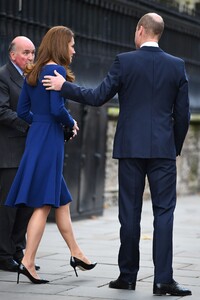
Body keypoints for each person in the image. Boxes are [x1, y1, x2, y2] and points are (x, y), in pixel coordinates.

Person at [42, 13, 192, 296]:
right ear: (158, 34)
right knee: (164, 214)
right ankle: (163, 281)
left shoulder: (125, 61)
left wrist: (65, 87)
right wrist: (174, 146)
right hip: (162, 150)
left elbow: (99, 97)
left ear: (139, 30)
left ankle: (128, 276)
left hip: (130, 148)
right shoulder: (177, 65)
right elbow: (183, 114)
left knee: (129, 213)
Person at [5, 26, 97, 284]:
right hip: (50, 141)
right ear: (60, 45)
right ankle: (28, 261)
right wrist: (70, 122)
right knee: (45, 203)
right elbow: (58, 109)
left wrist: (41, 122)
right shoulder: (55, 70)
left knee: (61, 200)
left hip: (38, 136)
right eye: (71, 44)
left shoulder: (33, 71)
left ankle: (77, 253)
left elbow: (23, 111)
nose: (74, 49)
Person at [0, 36, 38, 272]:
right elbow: (1, 111)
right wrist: (30, 125)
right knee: (9, 207)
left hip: (30, 151)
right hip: (10, 151)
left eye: (32, 52)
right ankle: (3, 254)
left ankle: (17, 250)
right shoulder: (3, 75)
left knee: (27, 204)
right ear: (12, 54)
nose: (30, 57)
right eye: (25, 53)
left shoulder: (31, 77)